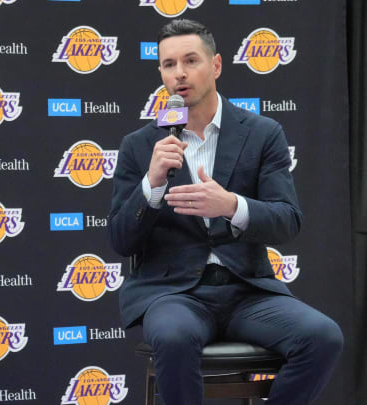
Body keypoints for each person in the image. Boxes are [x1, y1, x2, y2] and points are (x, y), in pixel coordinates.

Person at [108, 19, 343, 404]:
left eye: (190, 60)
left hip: (248, 292)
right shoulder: (140, 146)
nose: (179, 73)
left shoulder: (263, 133)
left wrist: (232, 206)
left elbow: (288, 220)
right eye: (169, 65)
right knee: (172, 337)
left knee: (323, 336)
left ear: (215, 66)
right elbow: (120, 239)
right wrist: (150, 184)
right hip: (174, 294)